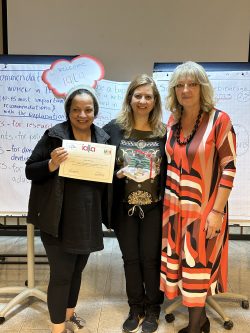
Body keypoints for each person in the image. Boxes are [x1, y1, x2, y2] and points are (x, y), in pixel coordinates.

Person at [25, 85, 110, 333]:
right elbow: (30, 169)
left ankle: (69, 315)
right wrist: (51, 163)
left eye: (88, 110)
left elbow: (105, 177)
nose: (82, 115)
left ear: (95, 111)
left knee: (77, 271)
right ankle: (57, 328)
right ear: (68, 111)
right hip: (57, 218)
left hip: (88, 217)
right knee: (62, 274)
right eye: (76, 110)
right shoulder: (53, 135)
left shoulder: (102, 138)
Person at [160, 61, 237, 333]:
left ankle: (196, 326)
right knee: (186, 266)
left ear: (202, 88)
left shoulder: (220, 120)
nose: (185, 89)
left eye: (192, 84)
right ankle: (200, 319)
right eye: (179, 84)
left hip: (205, 208)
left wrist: (216, 212)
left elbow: (228, 167)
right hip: (175, 208)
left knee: (198, 266)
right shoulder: (173, 120)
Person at [103, 74, 166, 333]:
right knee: (130, 258)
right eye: (137, 95)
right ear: (130, 98)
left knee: (150, 259)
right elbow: (101, 165)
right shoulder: (112, 129)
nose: (142, 100)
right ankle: (135, 307)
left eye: (148, 96)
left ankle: (153, 308)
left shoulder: (164, 132)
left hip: (154, 207)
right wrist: (113, 175)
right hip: (124, 207)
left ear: (155, 101)